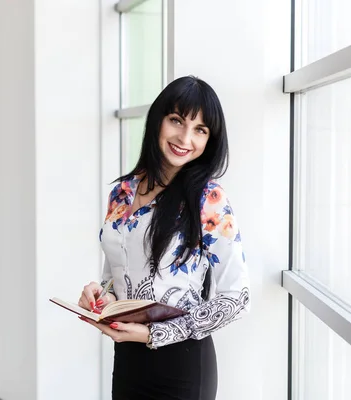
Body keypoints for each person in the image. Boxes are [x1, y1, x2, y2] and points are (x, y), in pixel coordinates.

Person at [77, 76, 250, 400]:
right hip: (129, 357)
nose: (185, 138)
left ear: (210, 139)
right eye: (177, 121)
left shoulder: (208, 200)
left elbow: (236, 299)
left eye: (200, 129)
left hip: (182, 365)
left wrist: (152, 333)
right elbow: (116, 275)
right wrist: (101, 296)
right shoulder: (123, 192)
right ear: (158, 120)